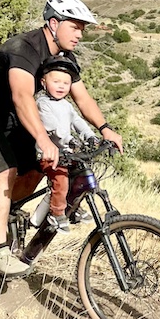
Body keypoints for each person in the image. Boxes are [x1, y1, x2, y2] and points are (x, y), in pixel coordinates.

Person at [0, 0, 123, 276]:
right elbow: (21, 96)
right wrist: (42, 139)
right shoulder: (25, 48)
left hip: (5, 111)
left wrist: (105, 129)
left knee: (36, 168)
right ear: (54, 23)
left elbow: (82, 98)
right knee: (5, 171)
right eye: (75, 27)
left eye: (83, 29)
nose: (80, 34)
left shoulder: (63, 57)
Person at [34, 55, 97, 233]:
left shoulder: (66, 105)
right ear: (44, 82)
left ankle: (73, 208)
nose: (61, 86)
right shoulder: (42, 104)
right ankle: (56, 213)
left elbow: (78, 121)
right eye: (56, 81)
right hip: (49, 155)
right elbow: (53, 128)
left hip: (67, 154)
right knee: (60, 181)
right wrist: (70, 140)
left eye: (66, 83)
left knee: (80, 176)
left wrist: (90, 136)